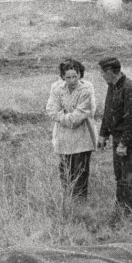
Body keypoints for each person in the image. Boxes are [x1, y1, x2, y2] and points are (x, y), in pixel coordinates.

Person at [45, 58, 97, 199]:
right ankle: (68, 202)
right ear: (62, 77)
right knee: (65, 172)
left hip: (82, 137)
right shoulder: (56, 87)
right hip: (63, 137)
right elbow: (50, 110)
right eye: (68, 77)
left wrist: (62, 116)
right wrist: (66, 117)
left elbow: (79, 116)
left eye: (75, 76)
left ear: (80, 75)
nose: (72, 80)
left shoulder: (87, 88)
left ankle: (80, 202)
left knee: (80, 172)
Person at [97, 56, 132, 218]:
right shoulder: (112, 86)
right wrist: (103, 134)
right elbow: (108, 112)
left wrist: (124, 143)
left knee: (128, 176)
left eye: (102, 72)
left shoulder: (129, 88)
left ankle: (129, 213)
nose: (101, 75)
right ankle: (120, 208)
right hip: (117, 138)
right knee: (119, 175)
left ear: (110, 71)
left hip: (126, 141)